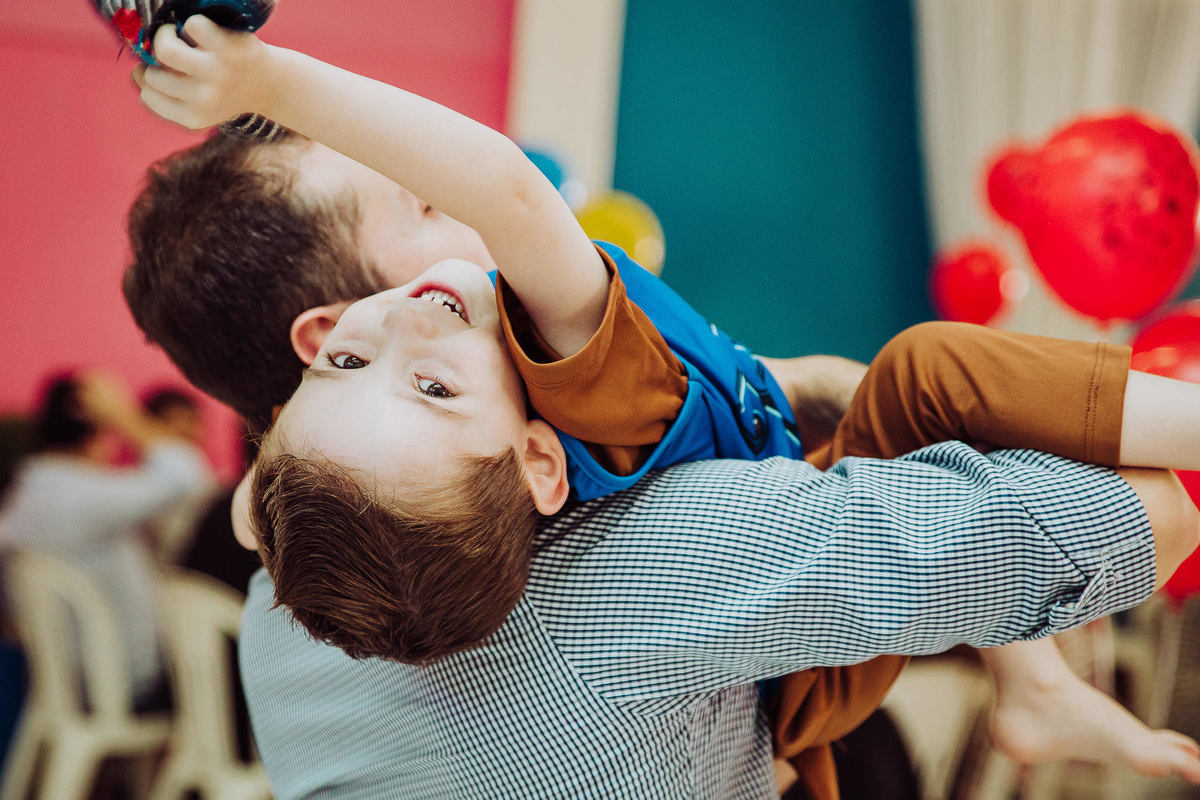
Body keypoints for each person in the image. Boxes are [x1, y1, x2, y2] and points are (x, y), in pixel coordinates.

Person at [129, 17, 1200, 795]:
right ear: (341, 318)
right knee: (931, 379)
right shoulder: (627, 562)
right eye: (418, 196)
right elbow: (1148, 517)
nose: (447, 190)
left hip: (773, 707)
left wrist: (810, 388)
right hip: (819, 677)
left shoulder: (298, 604)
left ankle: (1032, 684)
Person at [0, 372, 210, 707]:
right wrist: (122, 413)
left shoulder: (27, 491)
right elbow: (188, 477)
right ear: (99, 430)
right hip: (121, 681)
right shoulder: (86, 496)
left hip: (57, 678)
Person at [141, 386, 220, 561]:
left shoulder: (194, 460)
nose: (185, 429)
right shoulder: (153, 470)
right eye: (173, 421)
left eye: (192, 420)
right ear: (150, 425)